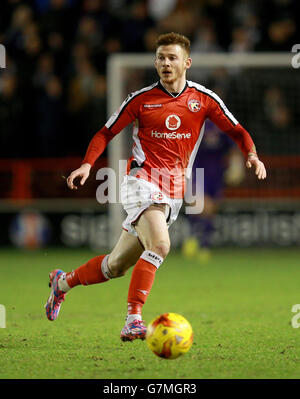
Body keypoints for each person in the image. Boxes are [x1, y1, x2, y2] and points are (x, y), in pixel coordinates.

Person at [45, 32, 266, 341]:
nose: (165, 63)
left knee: (115, 266)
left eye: (172, 57)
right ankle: (133, 318)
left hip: (173, 193)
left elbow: (238, 131)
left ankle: (62, 283)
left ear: (186, 62)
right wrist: (86, 164)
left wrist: (252, 156)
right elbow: (105, 133)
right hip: (141, 181)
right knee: (161, 246)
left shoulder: (203, 99)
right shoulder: (141, 99)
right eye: (161, 58)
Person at [182, 119, 245, 261]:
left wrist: (237, 166)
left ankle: (203, 245)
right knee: (201, 206)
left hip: (217, 174)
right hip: (197, 172)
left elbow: (234, 148)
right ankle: (195, 240)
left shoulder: (223, 125)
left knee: (211, 210)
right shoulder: (196, 124)